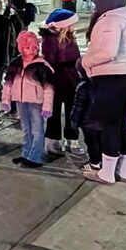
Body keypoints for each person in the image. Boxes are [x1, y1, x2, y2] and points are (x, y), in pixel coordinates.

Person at [80, 0, 126, 185]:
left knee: (109, 125)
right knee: (122, 123)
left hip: (109, 78)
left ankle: (107, 172)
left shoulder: (110, 21)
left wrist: (85, 61)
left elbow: (107, 52)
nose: (95, 3)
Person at [1, 31, 54, 168]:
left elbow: (48, 88)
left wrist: (47, 106)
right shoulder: (16, 63)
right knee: (26, 129)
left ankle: (35, 157)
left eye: (33, 47)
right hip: (21, 100)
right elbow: (8, 83)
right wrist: (6, 100)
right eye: (27, 46)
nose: (30, 49)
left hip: (36, 102)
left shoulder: (42, 66)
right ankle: (26, 154)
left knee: (37, 129)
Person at [41, 9, 83, 156]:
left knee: (73, 111)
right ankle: (53, 140)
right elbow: (49, 61)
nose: (74, 26)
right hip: (57, 79)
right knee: (55, 112)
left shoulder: (70, 37)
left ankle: (72, 139)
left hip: (71, 79)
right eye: (72, 24)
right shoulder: (50, 39)